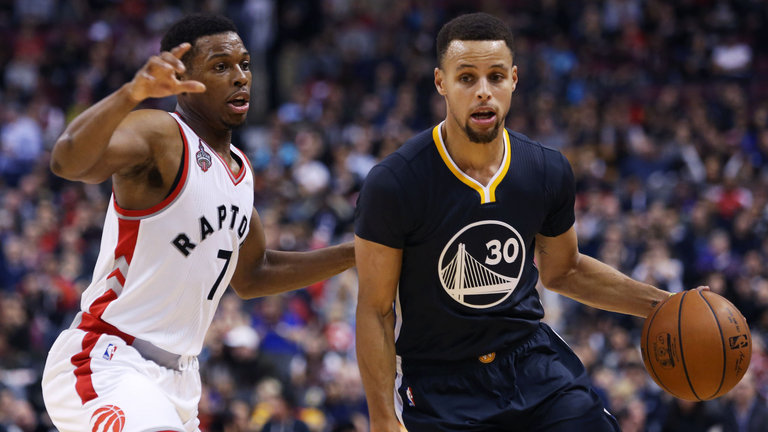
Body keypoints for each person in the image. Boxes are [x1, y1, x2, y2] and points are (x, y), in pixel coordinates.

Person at [354, 12, 677, 432]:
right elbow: (376, 310)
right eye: (466, 78)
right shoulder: (395, 183)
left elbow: (566, 271)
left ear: (514, 80)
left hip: (530, 363)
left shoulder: (545, 169)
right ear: (440, 83)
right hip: (441, 382)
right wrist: (382, 419)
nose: (483, 92)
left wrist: (665, 305)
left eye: (496, 77)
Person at [41, 14, 354, 432]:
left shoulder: (240, 171)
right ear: (183, 79)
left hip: (182, 381)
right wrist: (130, 94)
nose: (240, 77)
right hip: (108, 357)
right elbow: (67, 159)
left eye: (244, 64)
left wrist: (357, 252)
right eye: (221, 67)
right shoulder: (162, 136)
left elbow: (254, 275)